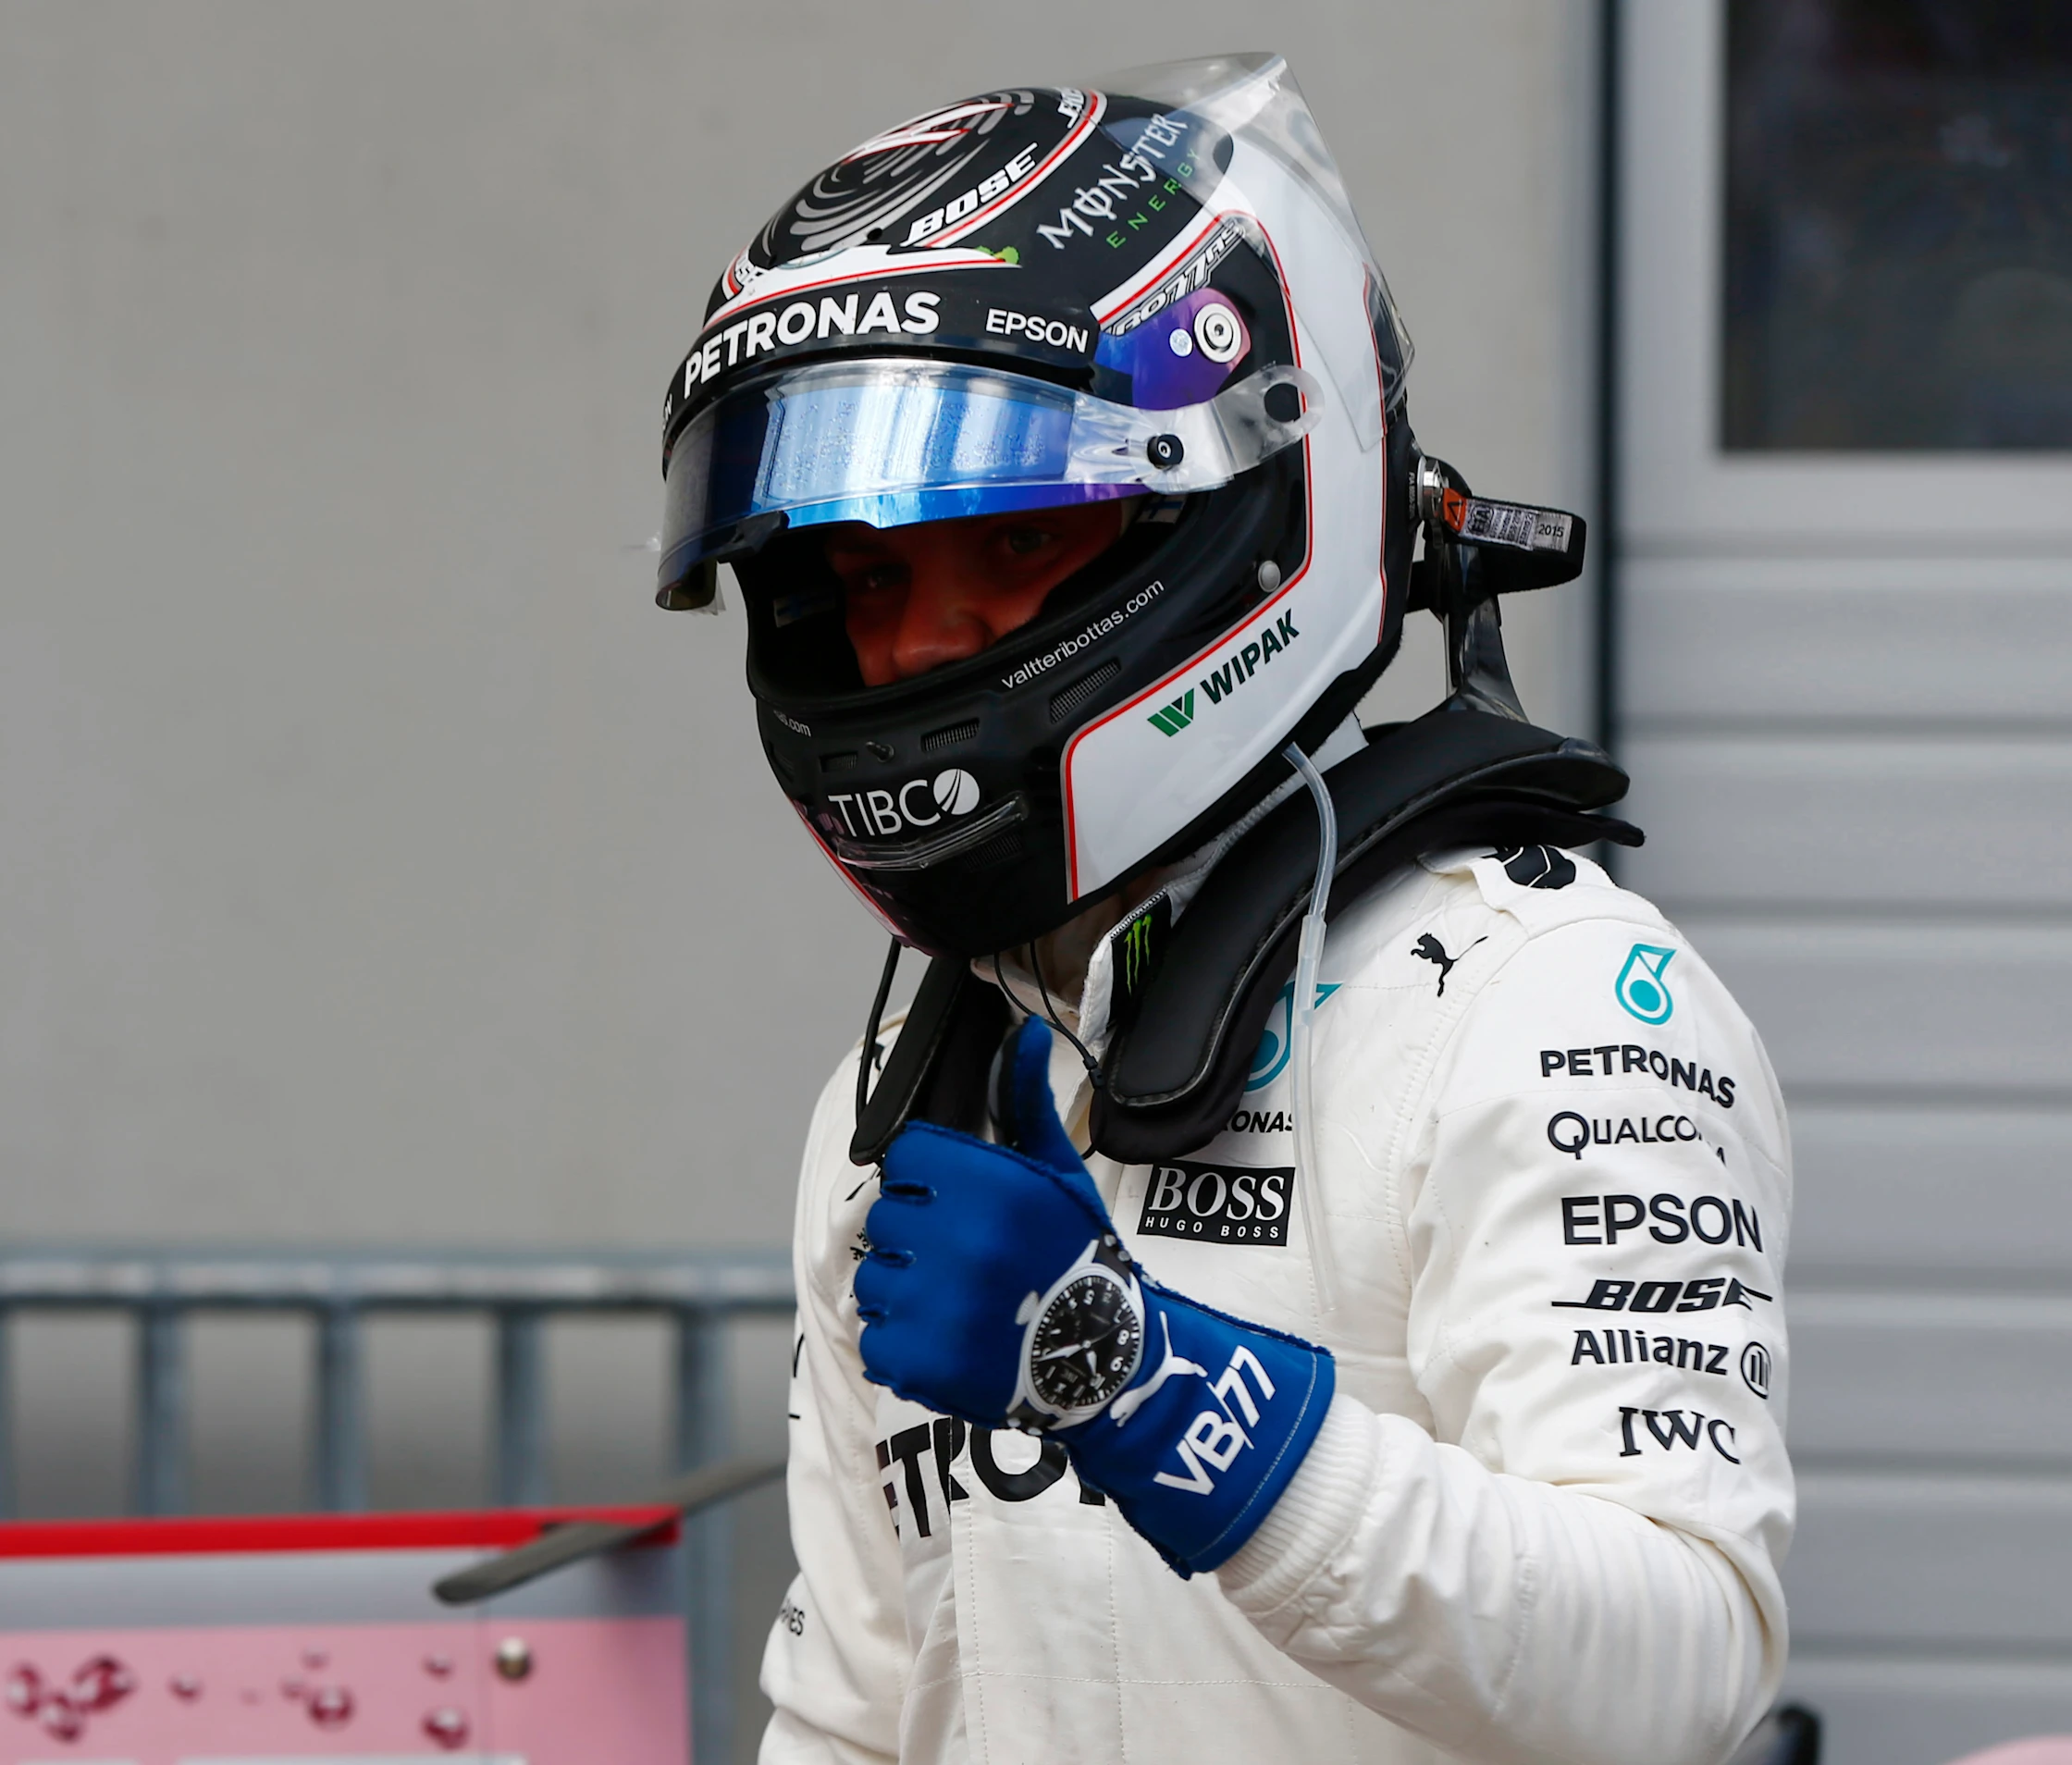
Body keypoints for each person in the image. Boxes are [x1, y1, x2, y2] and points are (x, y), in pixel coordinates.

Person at [654, 56, 1793, 1765]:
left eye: (1016, 540)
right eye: (871, 581)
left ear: (1241, 510)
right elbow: (860, 1713)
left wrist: (1133, 1378)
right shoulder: (910, 1096)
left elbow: (1684, 1662)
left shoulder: (1543, 1000)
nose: (915, 651)